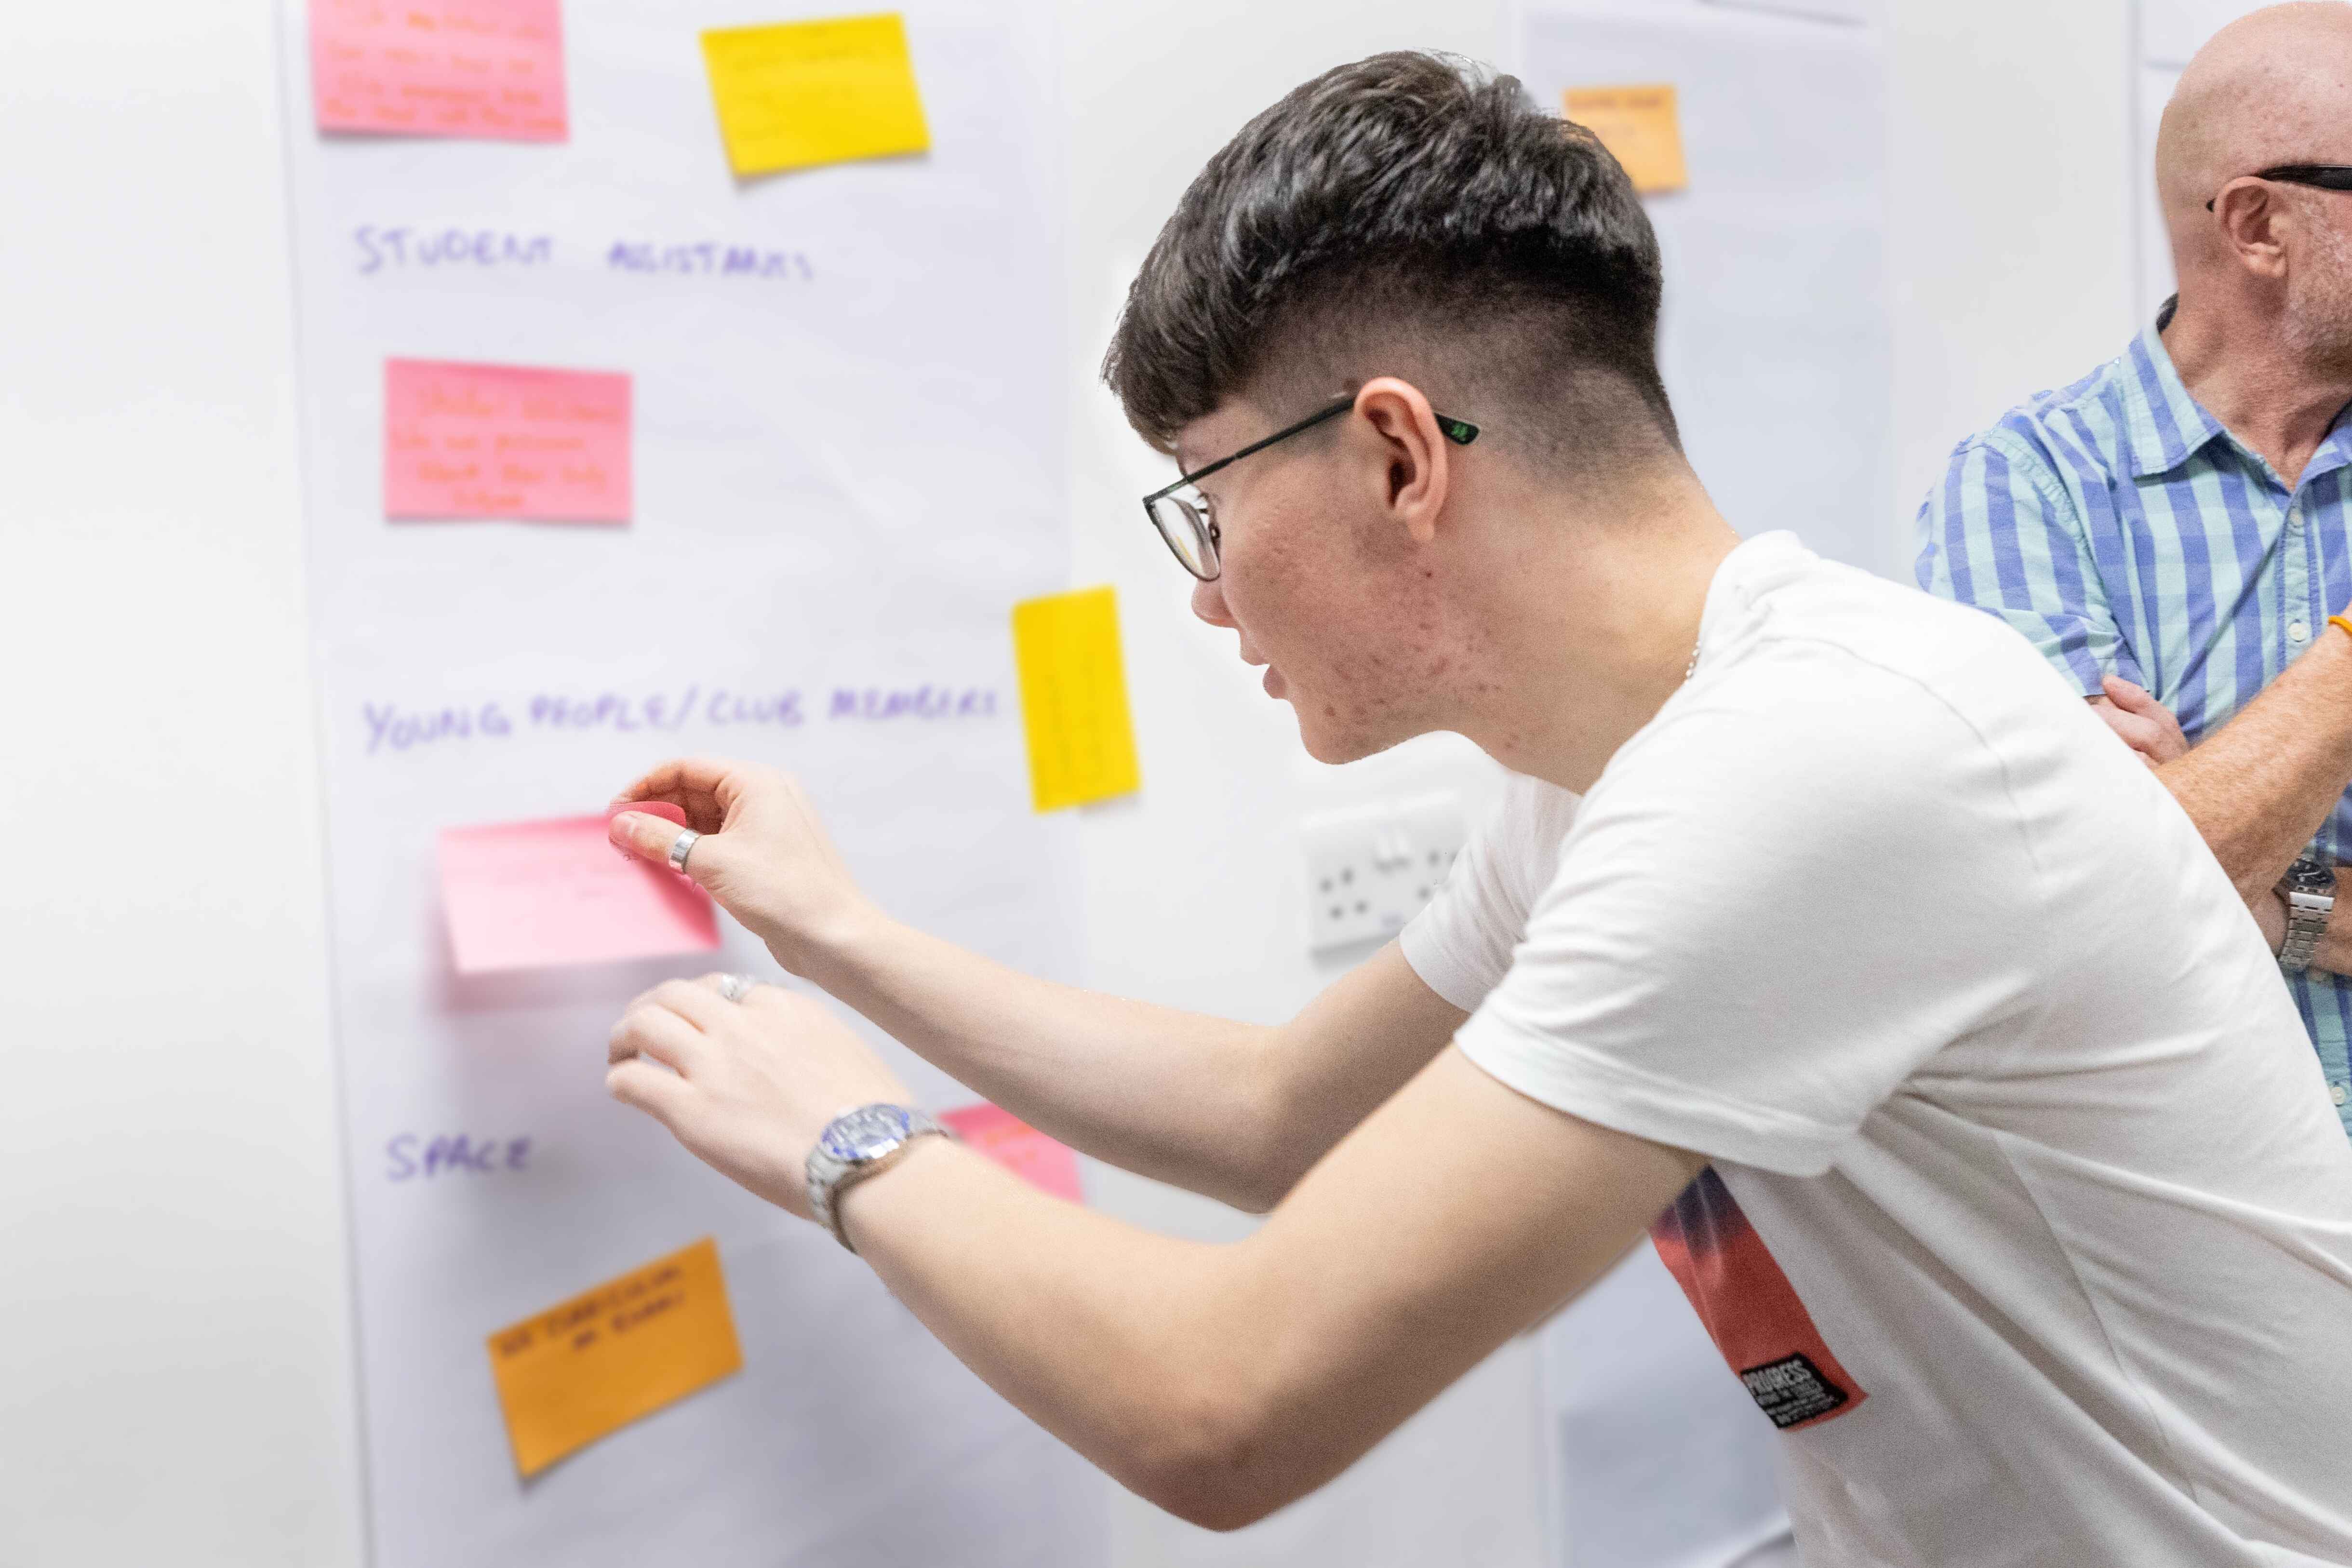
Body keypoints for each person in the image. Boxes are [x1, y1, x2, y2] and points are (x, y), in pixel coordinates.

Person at [602, 52, 2352, 1567]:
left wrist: (852, 1145)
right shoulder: (1632, 752)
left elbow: (1227, 1405)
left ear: (1395, 457)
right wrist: (832, 928)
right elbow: (1272, 1109)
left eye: (1207, 506)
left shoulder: (1816, 761)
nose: (1209, 597)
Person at [1918, 1, 2352, 1132]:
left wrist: (2240, 862)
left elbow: (2159, 861)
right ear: (2257, 225)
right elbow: (2081, 904)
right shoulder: (2021, 491)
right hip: (2200, 1213)